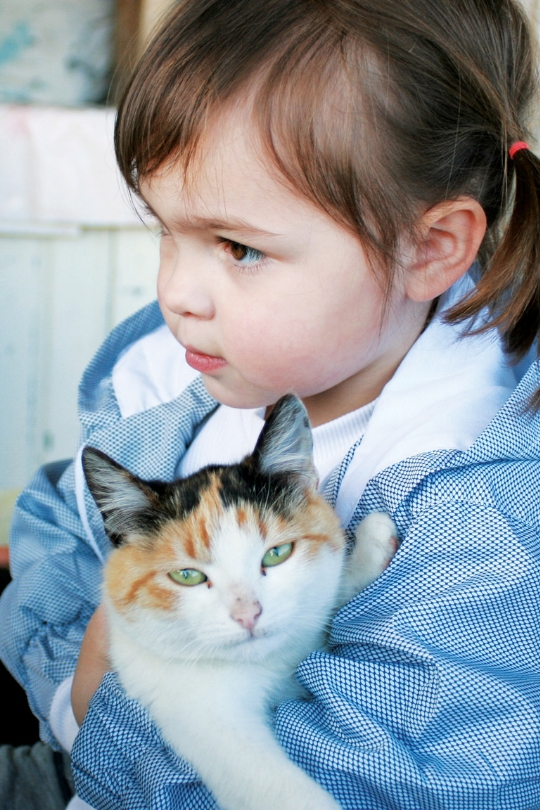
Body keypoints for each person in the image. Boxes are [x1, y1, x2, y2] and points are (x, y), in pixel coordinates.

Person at [2, 0, 540, 807]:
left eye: (240, 248)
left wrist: (100, 715)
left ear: (428, 250)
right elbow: (57, 529)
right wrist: (64, 700)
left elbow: (398, 770)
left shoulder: (481, 503)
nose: (177, 294)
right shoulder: (164, 386)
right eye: (164, 231)